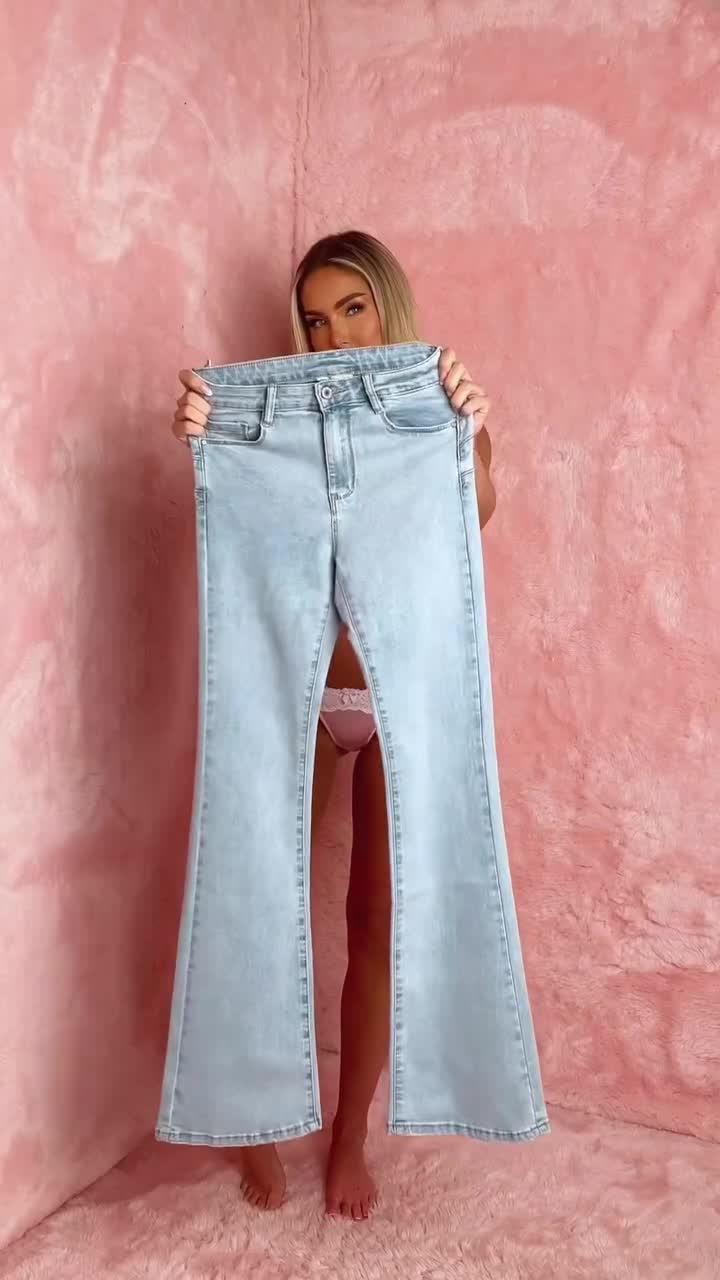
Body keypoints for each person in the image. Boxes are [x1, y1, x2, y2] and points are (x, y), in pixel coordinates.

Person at [170, 231, 496, 1221]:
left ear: (390, 303)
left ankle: (351, 1129)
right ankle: (254, 1122)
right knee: (258, 903)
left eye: (352, 308)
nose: (334, 335)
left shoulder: (440, 420)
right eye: (314, 320)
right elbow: (245, 537)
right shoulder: (285, 432)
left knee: (375, 923)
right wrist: (210, 441)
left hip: (393, 705)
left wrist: (465, 426)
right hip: (301, 699)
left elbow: (477, 510)